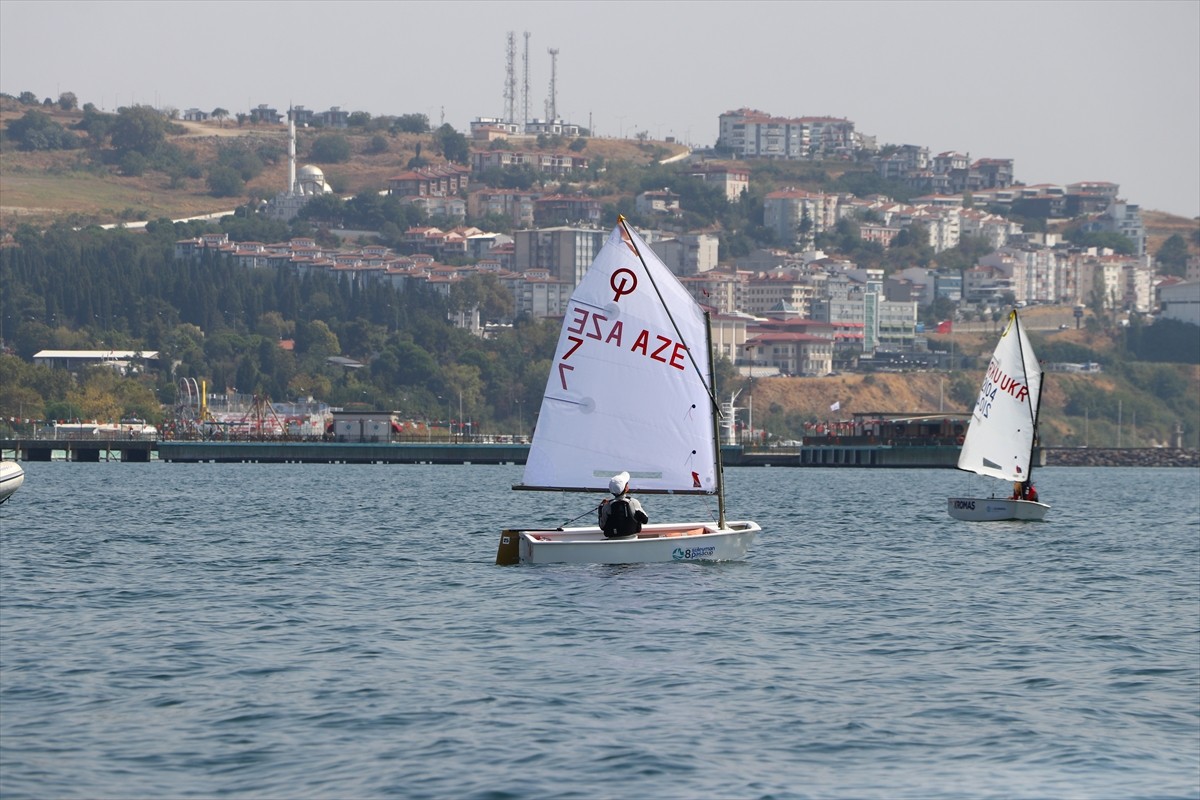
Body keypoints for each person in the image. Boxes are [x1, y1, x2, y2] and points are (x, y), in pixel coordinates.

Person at [598, 471, 648, 539]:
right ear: (626, 488)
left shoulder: (606, 506)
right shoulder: (633, 502)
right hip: (632, 540)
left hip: (612, 542)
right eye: (627, 483)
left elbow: (602, 526)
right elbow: (645, 520)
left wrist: (601, 508)